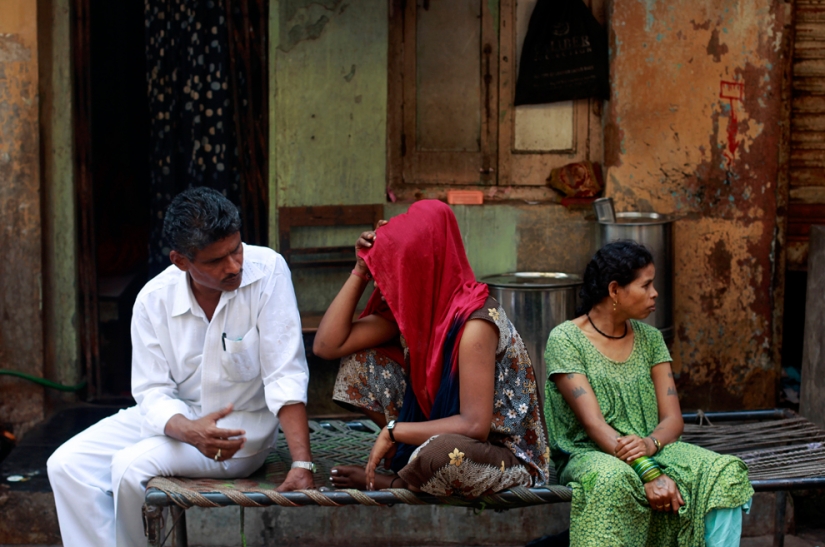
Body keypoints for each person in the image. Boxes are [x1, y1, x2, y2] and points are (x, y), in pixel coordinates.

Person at [47, 187, 315, 547]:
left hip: (238, 434)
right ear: (180, 261)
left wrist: (302, 463)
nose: (233, 266)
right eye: (215, 261)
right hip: (177, 421)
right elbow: (152, 392)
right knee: (66, 465)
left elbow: (286, 373)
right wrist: (188, 430)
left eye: (236, 250)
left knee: (129, 467)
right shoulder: (152, 300)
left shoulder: (268, 272)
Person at [312, 200, 550, 497]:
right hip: (447, 432)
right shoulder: (418, 310)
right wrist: (361, 269)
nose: (391, 279)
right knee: (358, 365)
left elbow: (474, 426)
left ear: (424, 266)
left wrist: (394, 431)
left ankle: (400, 482)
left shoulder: (474, 323)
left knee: (442, 454)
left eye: (399, 267)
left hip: (501, 454)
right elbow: (326, 346)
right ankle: (412, 460)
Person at [543, 240, 753, 547]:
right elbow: (594, 425)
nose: (654, 294)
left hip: (653, 447)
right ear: (614, 290)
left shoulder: (651, 339)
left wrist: (649, 444)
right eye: (646, 285)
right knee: (614, 480)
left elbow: (672, 420)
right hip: (590, 452)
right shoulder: (566, 340)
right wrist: (650, 474)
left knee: (724, 472)